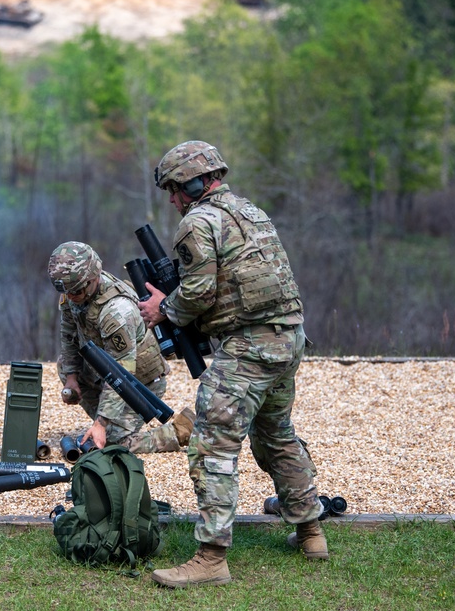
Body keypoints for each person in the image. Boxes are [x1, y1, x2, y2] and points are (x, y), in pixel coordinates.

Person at [137, 141, 327, 589]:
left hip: (249, 348)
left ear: (193, 183)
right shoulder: (251, 212)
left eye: (174, 189)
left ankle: (211, 558)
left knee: (211, 444)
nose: (172, 199)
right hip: (289, 338)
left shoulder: (196, 222)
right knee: (275, 434)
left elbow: (199, 292)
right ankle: (311, 532)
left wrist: (164, 310)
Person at [48, 241, 194, 453]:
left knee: (112, 445)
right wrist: (71, 377)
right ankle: (112, 421)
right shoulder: (76, 291)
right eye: (66, 291)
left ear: (93, 278)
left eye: (76, 291)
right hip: (109, 372)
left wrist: (102, 423)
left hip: (140, 385)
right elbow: (69, 333)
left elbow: (122, 373)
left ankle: (180, 430)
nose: (71, 297)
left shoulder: (116, 312)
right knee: (65, 365)